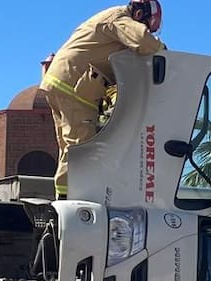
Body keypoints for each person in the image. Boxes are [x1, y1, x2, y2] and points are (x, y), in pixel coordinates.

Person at [40, 1, 165, 199]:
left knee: (68, 148)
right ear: (139, 14)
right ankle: (73, 200)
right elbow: (142, 40)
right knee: (82, 147)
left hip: (58, 82)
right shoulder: (119, 19)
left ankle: (62, 197)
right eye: (147, 25)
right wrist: (163, 52)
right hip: (74, 86)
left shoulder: (107, 20)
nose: (147, 30)